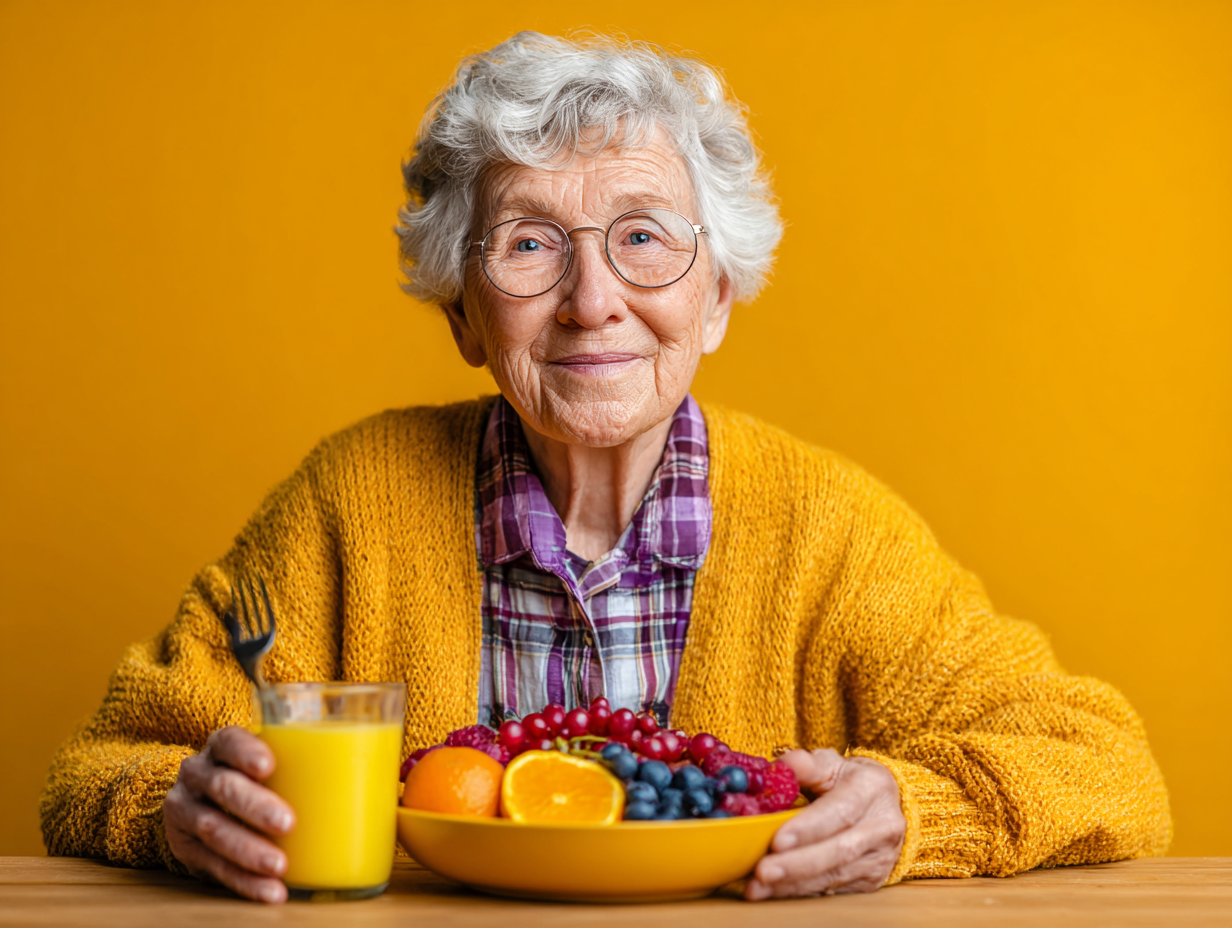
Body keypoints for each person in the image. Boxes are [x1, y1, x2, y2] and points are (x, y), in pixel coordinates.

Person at [41, 32, 1170, 904]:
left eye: (642, 237)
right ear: (464, 315)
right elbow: (99, 766)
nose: (592, 303)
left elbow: (1106, 766)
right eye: (529, 243)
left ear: (715, 297)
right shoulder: (349, 504)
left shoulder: (831, 532)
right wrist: (176, 810)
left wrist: (914, 814)